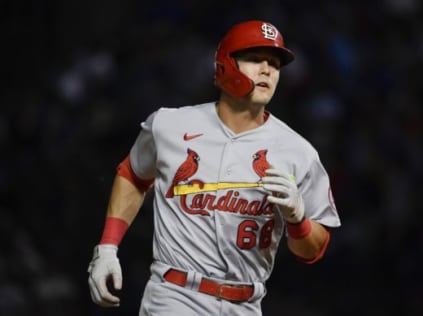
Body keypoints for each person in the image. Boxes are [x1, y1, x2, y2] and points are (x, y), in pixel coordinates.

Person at [87, 20, 341, 315]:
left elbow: (312, 251)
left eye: (274, 63)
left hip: (246, 304)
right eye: (254, 58)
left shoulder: (298, 152)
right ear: (225, 63)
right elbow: (133, 174)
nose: (266, 69)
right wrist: (107, 247)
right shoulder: (170, 125)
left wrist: (298, 219)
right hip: (176, 296)